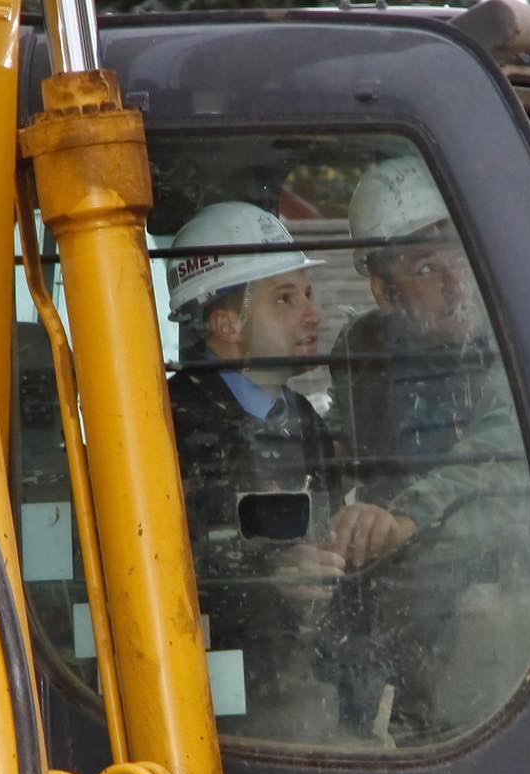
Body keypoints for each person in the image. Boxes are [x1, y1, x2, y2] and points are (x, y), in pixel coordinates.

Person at [319, 156, 530, 741]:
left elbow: (502, 449)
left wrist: (404, 519)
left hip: (498, 610)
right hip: (391, 611)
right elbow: (342, 447)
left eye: (457, 257)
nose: (454, 281)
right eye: (424, 265)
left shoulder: (511, 340)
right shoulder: (360, 350)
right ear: (383, 291)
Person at [165, 201, 403, 740]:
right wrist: (267, 578)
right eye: (285, 300)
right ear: (226, 325)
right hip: (219, 709)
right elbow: (159, 570)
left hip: (311, 691)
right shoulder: (167, 429)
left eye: (309, 295)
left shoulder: (303, 422)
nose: (313, 314)